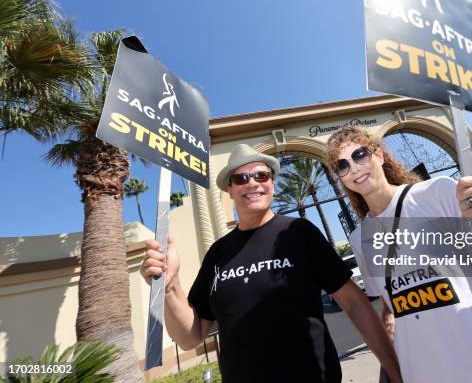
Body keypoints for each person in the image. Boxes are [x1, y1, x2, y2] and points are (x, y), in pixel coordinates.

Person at [140, 144, 403, 383]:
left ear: (272, 185)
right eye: (241, 178)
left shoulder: (299, 232)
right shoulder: (217, 254)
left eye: (261, 176)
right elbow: (190, 338)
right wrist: (170, 285)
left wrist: (394, 370)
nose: (252, 183)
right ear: (230, 190)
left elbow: (355, 304)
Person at [325, 126, 472, 382]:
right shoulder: (360, 240)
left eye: (360, 154)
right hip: (423, 370)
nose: (355, 167)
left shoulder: (437, 195)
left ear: (380, 155)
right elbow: (392, 304)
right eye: (342, 165)